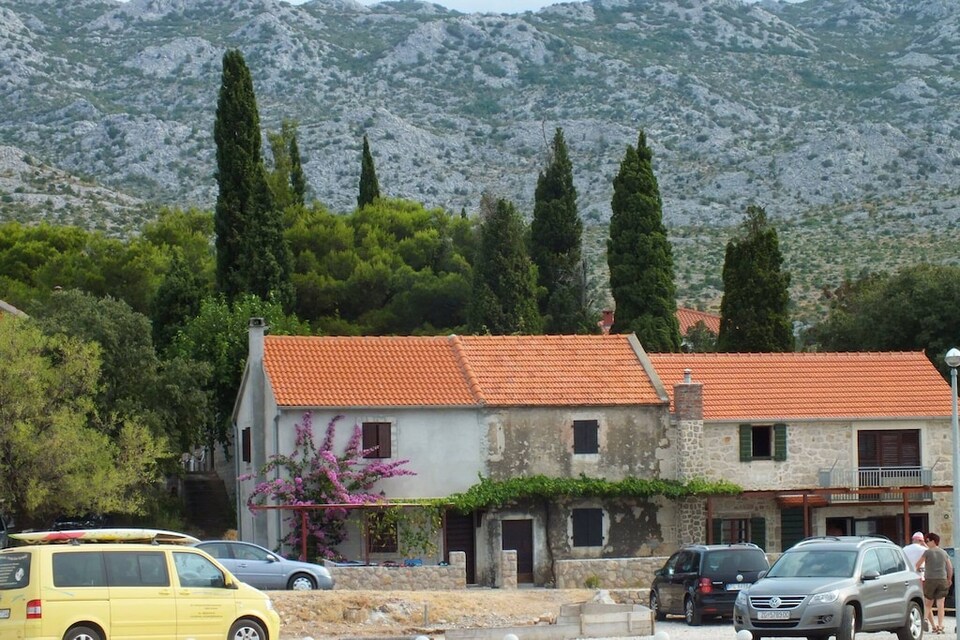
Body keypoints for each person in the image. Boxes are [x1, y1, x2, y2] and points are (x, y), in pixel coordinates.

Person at [917, 532, 953, 634]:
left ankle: (924, 620)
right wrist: (949, 578)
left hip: (929, 579)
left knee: (928, 603)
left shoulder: (927, 553)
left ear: (933, 541)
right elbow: (949, 567)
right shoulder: (944, 553)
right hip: (942, 579)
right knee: (940, 604)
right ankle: (940, 626)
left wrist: (918, 570)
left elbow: (918, 564)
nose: (927, 543)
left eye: (928, 541)